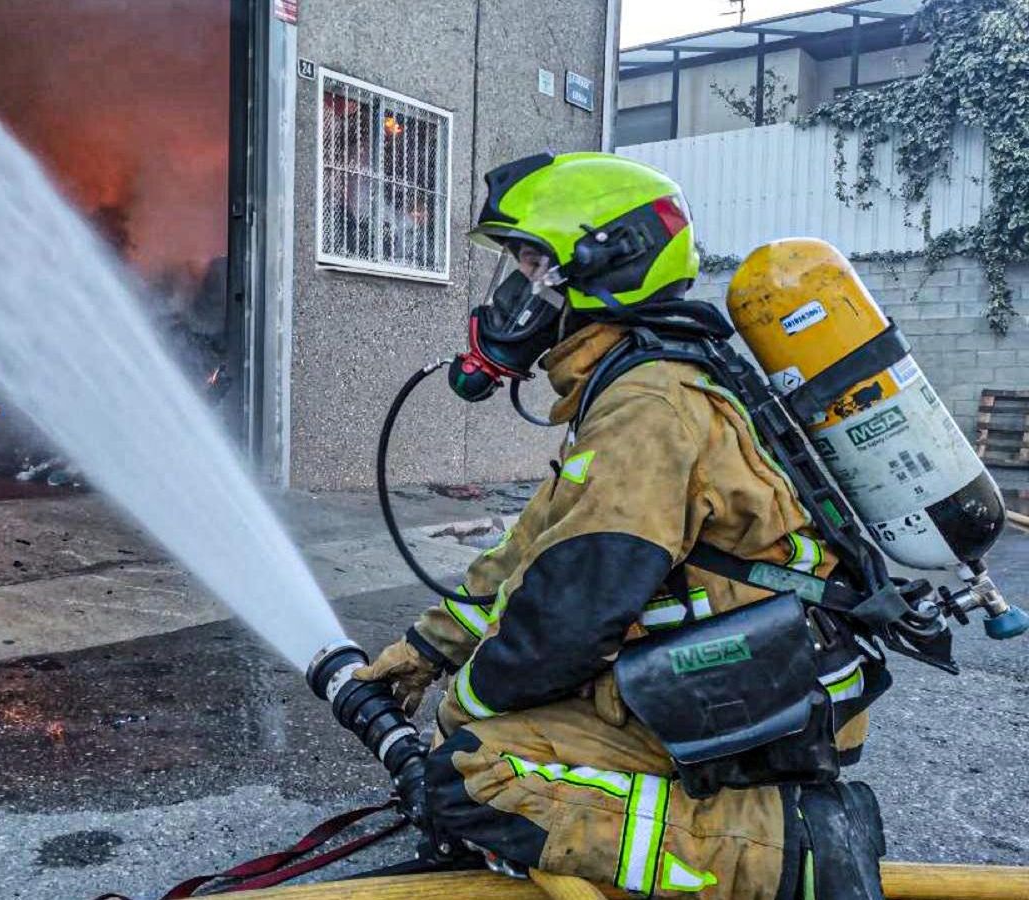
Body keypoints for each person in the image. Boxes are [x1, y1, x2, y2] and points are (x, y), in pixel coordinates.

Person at [356, 152, 888, 899]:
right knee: (485, 731)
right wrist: (422, 651)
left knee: (476, 772)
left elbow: (571, 614)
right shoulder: (632, 383)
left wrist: (460, 709)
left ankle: (785, 845)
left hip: (758, 697)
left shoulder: (649, 407)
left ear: (604, 269)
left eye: (536, 269)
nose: (516, 298)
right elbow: (532, 549)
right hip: (734, 672)